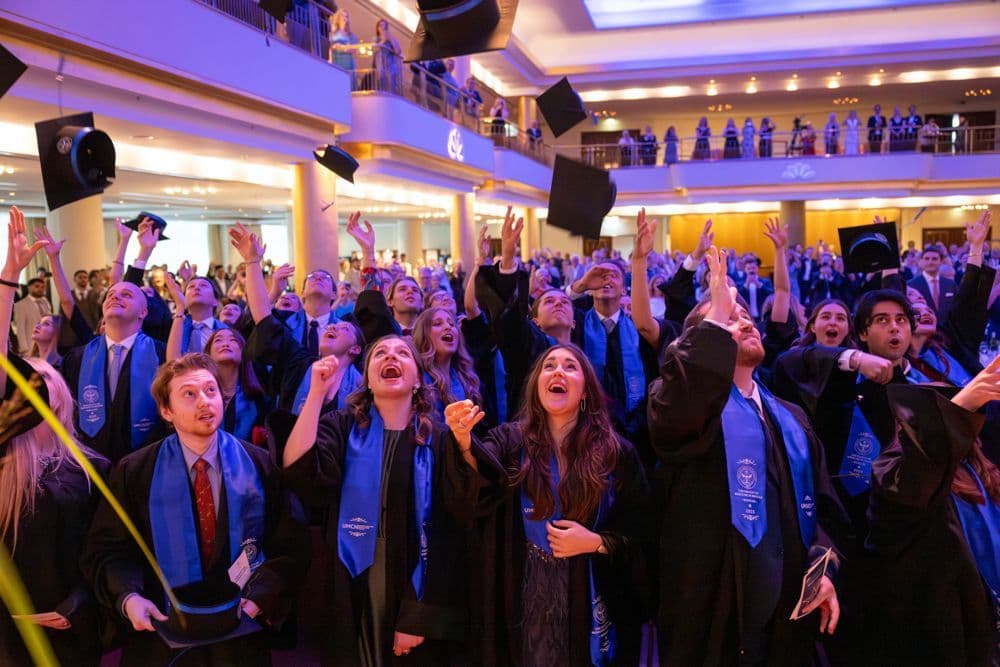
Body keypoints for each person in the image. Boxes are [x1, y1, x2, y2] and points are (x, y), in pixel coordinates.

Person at [648, 245, 847, 664]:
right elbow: (677, 410)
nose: (745, 322)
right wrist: (715, 320)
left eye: (745, 317)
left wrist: (824, 569)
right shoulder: (682, 404)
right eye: (728, 319)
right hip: (714, 605)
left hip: (788, 612)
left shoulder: (791, 417)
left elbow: (823, 508)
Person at [82, 354, 311, 665]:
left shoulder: (258, 464)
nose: (205, 401)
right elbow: (109, 549)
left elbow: (289, 542)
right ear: (166, 410)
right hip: (162, 628)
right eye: (189, 393)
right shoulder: (134, 472)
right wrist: (129, 597)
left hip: (239, 626)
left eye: (211, 390)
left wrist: (261, 597)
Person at [444, 345, 651, 666]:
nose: (558, 372)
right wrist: (463, 440)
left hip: (589, 593)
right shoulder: (509, 441)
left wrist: (597, 542)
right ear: (536, 385)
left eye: (570, 367)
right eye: (549, 366)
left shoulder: (615, 453)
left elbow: (641, 527)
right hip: (522, 591)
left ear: (586, 391)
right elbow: (478, 480)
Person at [279, 337, 477, 664]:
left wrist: (419, 615)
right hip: (350, 578)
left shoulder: (439, 438)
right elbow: (298, 469)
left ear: (418, 379)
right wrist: (316, 395)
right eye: (380, 354)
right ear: (368, 380)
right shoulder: (342, 426)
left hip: (416, 581)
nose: (391, 357)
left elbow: (452, 529)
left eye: (402, 353)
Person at [0, 206, 109, 666]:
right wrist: (9, 276)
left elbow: (102, 554)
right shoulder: (4, 460)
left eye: (40, 385)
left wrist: (77, 605)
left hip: (69, 626)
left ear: (60, 400)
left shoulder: (92, 470)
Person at [867, 362, 1000, 664]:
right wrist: (960, 405)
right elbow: (919, 472)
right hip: (947, 634)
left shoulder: (984, 472)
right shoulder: (894, 473)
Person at [62, 219, 168, 463]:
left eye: (126, 295)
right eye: (110, 295)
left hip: (147, 461)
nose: (115, 297)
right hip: (90, 464)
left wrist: (144, 252)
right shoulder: (77, 359)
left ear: (144, 312)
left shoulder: (161, 355)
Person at [908, 245, 958, 322]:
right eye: (926, 259)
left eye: (934, 259)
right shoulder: (911, 285)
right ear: (921, 261)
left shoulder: (950, 285)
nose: (930, 262)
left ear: (941, 261)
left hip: (948, 328)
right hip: (923, 327)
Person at [12, 277, 51, 355]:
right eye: (37, 286)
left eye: (42, 287)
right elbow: (20, 328)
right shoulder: (20, 305)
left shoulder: (45, 302)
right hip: (30, 345)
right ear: (29, 288)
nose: (40, 289)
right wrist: (24, 348)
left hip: (46, 344)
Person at [374, 19, 402, 95]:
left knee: (391, 88)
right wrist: (383, 40)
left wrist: (390, 40)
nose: (382, 28)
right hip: (380, 66)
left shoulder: (390, 37)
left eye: (384, 26)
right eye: (380, 25)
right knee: (381, 88)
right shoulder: (376, 39)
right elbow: (374, 49)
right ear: (377, 28)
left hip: (390, 66)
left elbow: (398, 51)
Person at [328, 8, 358, 80]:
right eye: (342, 16)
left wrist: (342, 48)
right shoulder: (333, 33)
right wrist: (330, 59)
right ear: (338, 18)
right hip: (336, 60)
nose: (344, 18)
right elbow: (330, 48)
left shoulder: (351, 35)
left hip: (348, 63)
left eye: (346, 16)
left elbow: (354, 50)